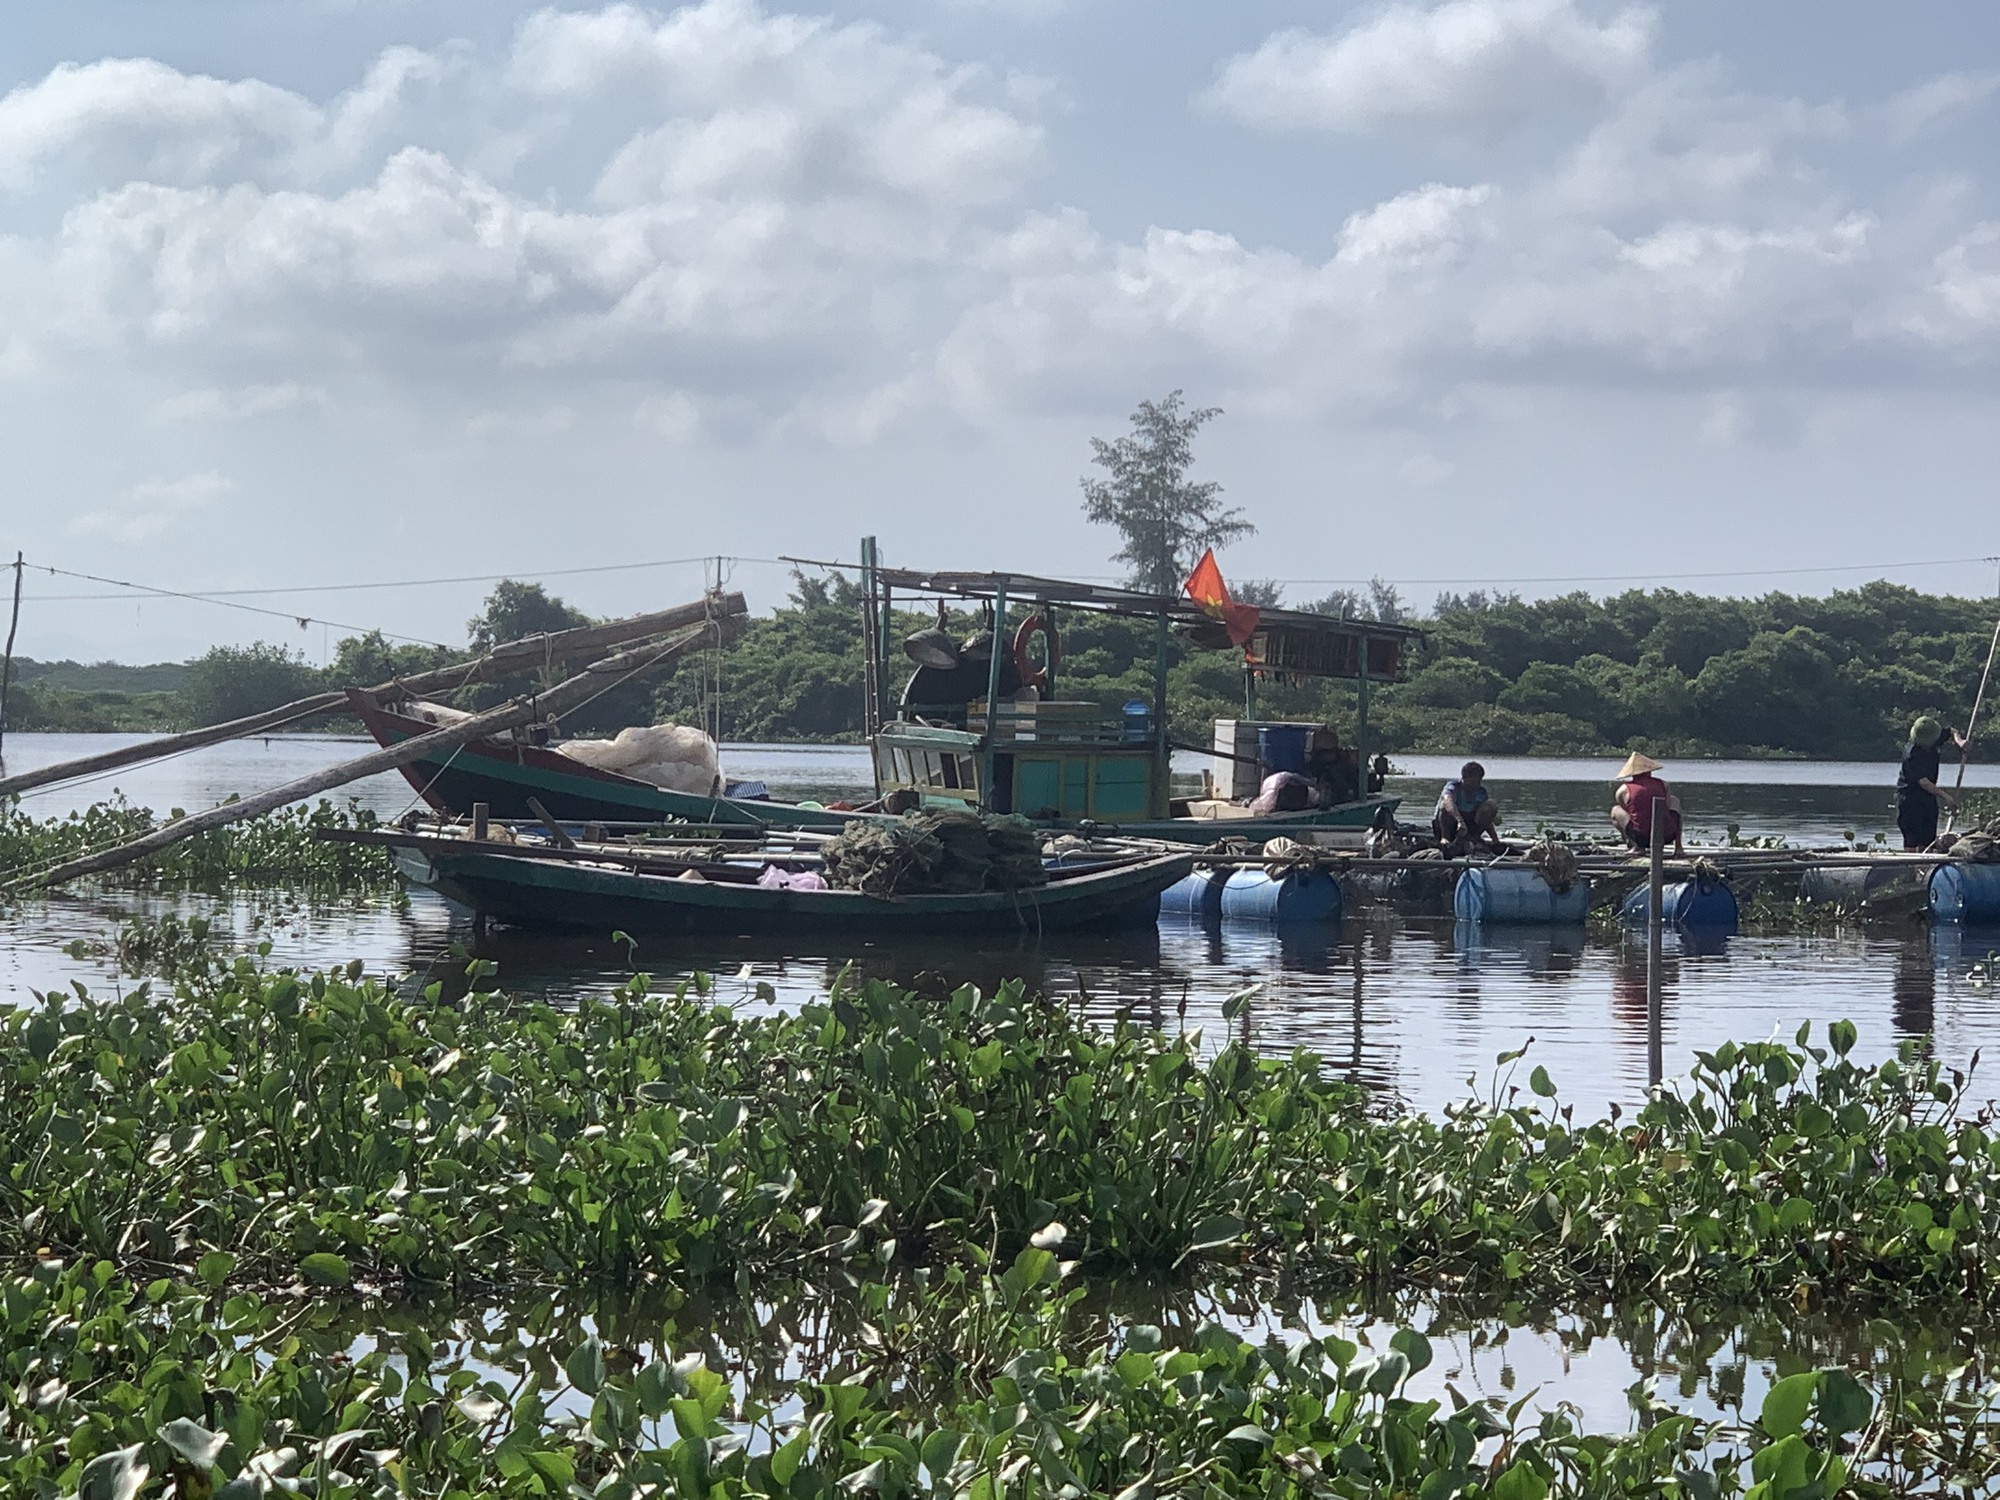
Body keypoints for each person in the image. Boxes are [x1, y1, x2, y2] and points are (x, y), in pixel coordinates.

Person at [1897, 716, 1966, 851]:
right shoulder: (1912, 754)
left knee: (1928, 840)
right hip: (1909, 799)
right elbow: (1925, 783)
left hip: (1927, 798)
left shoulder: (1935, 737)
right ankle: (1910, 866)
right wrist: (1947, 797)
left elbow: (1951, 731)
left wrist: (1960, 742)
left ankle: (1925, 863)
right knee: (1912, 840)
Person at [1611, 752, 1683, 856]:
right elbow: (1667, 805)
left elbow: (1626, 809)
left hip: (1641, 837)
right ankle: (1678, 847)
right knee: (1675, 801)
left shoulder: (1622, 790)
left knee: (1615, 810)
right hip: (1666, 835)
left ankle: (1636, 846)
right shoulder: (1663, 784)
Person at [1433, 761, 1502, 853]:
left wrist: (1495, 839)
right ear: (1466, 778)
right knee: (1444, 805)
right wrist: (1459, 821)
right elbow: (1448, 802)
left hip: (1469, 828)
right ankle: (1445, 838)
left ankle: (1473, 839)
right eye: (1475, 781)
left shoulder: (1481, 792)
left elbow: (1486, 818)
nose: (1477, 784)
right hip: (1450, 826)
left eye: (1479, 780)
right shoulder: (1453, 786)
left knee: (1490, 805)